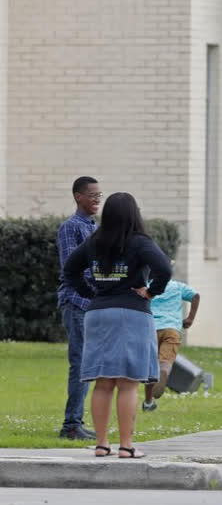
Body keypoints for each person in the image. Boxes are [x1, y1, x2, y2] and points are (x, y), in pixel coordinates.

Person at [63, 192, 172, 458]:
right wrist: (151, 292)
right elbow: (164, 269)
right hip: (131, 314)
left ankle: (101, 444)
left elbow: (70, 269)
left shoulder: (93, 242)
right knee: (128, 383)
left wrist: (91, 292)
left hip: (98, 314)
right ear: (134, 214)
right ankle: (126, 446)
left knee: (102, 383)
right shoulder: (138, 242)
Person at [56, 176, 101, 440]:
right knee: (80, 362)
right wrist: (94, 292)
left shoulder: (94, 228)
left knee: (89, 363)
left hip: (94, 303)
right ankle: (71, 426)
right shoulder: (70, 228)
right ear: (78, 197)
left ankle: (77, 421)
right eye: (92, 195)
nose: (97, 200)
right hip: (77, 302)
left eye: (99, 196)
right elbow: (71, 269)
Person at [142, 271, 201, 412]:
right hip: (172, 329)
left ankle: (149, 402)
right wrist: (190, 319)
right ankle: (163, 372)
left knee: (151, 368)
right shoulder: (177, 286)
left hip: (150, 329)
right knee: (165, 362)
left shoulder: (146, 285)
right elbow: (195, 296)